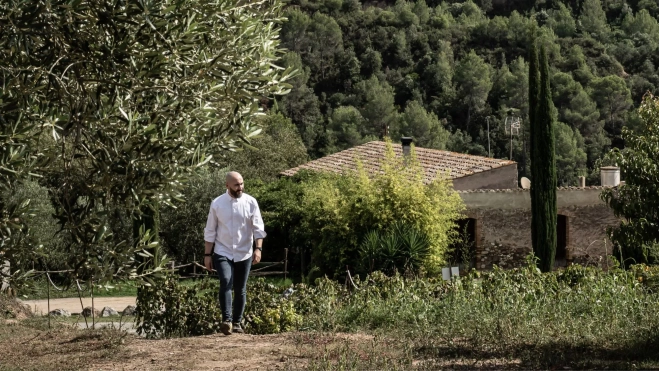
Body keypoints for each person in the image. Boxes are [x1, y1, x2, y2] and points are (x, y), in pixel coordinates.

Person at [203, 171, 266, 335]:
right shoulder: (217, 203)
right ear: (227, 185)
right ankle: (227, 321)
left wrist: (258, 249)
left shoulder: (251, 202)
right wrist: (207, 255)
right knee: (226, 281)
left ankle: (237, 323)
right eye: (237, 185)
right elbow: (210, 231)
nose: (240, 187)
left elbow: (258, 229)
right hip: (222, 250)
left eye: (242, 184)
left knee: (240, 288)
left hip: (244, 251)